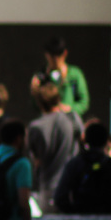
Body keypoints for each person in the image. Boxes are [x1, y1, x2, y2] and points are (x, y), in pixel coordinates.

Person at [53, 121, 111, 214]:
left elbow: (59, 198)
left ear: (85, 140)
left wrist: (75, 213)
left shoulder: (74, 165)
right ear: (106, 141)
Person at [27, 82, 82, 213]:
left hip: (48, 186)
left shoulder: (36, 127)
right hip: (73, 186)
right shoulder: (73, 119)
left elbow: (36, 161)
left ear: (39, 104)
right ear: (59, 99)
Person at [30, 36, 89, 118]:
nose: (56, 60)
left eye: (58, 56)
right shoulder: (41, 76)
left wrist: (71, 109)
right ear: (47, 55)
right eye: (52, 57)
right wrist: (35, 94)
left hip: (69, 120)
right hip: (49, 121)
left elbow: (84, 102)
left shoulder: (75, 74)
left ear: (64, 54)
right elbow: (36, 107)